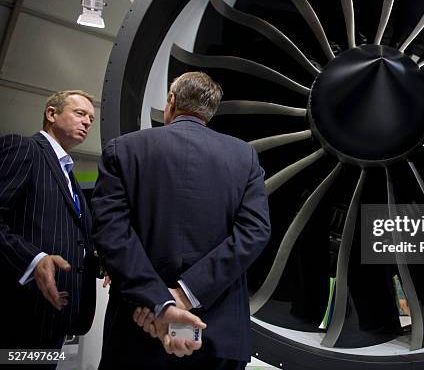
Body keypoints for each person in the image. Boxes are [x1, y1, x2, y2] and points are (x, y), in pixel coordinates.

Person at [92, 71, 271, 369]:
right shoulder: (245, 157)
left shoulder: (123, 149)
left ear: (172, 102)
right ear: (209, 112)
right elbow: (254, 233)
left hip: (140, 328)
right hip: (216, 332)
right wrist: (187, 293)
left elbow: (112, 235)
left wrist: (160, 303)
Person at [0, 90, 98, 357]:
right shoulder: (23, 149)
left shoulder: (70, 175)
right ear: (51, 114)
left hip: (55, 319)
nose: (88, 122)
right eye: (80, 113)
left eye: (91, 118)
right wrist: (34, 259)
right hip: (21, 315)